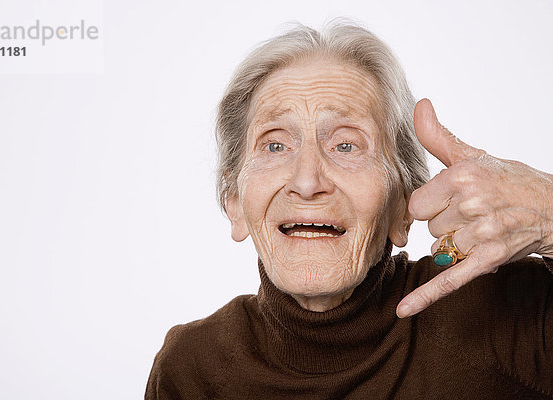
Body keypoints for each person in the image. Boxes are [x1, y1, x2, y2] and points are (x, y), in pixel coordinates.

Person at [145, 21, 553, 399]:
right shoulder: (189, 369)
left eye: (346, 145)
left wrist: (548, 212)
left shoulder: (505, 314)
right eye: (274, 144)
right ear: (233, 201)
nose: (307, 182)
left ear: (403, 205)